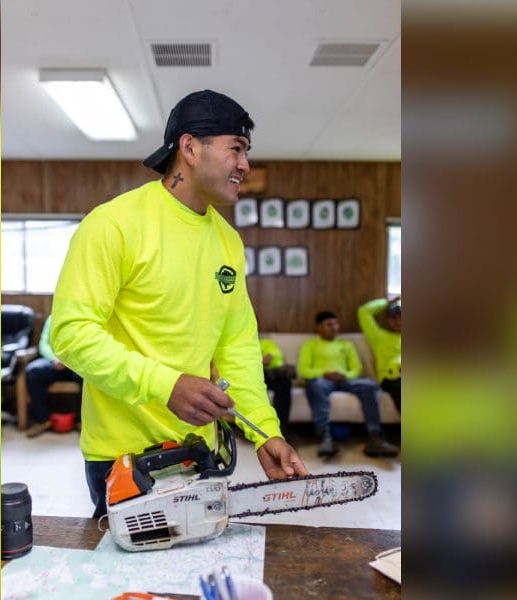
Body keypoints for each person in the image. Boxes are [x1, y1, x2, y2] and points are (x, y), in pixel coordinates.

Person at [50, 89, 309, 518]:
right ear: (190, 148)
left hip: (200, 452)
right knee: (135, 585)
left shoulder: (228, 241)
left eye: (246, 151)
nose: (245, 165)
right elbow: (71, 334)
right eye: (236, 148)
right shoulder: (113, 224)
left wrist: (266, 433)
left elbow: (236, 348)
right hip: (124, 459)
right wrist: (165, 385)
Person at [298, 311, 399, 458]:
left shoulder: (346, 344)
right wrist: (325, 373)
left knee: (369, 385)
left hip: (345, 379)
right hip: (323, 380)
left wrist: (344, 375)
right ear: (318, 328)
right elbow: (304, 370)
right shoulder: (310, 345)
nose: (334, 327)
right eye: (329, 324)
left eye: (336, 323)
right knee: (315, 386)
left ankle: (375, 436)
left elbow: (356, 368)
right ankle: (325, 437)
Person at [24, 315, 84, 437]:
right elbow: (43, 344)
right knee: (34, 372)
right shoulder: (52, 318)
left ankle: (81, 422)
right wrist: (54, 359)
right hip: (55, 361)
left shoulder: (82, 318)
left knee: (89, 376)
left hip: (76, 361)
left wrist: (69, 360)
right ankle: (42, 420)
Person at [358, 297, 401, 413]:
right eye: (393, 318)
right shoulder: (379, 336)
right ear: (388, 320)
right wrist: (387, 302)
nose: (397, 321)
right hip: (390, 378)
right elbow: (364, 311)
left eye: (401, 317)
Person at [259, 337, 294, 430]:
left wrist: (270, 355)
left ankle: (280, 426)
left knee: (284, 382)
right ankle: (259, 424)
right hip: (250, 374)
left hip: (267, 374)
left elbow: (277, 353)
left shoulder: (265, 342)